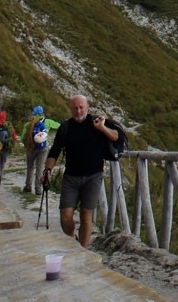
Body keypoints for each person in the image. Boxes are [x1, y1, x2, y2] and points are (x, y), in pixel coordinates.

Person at [43, 94, 120, 247]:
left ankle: (83, 250)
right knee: (65, 216)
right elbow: (54, 151)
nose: (78, 111)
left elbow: (115, 137)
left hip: (93, 176)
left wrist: (102, 128)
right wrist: (47, 171)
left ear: (87, 108)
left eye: (81, 107)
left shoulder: (97, 122)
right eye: (75, 108)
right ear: (70, 109)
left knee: (86, 215)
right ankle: (72, 238)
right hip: (71, 176)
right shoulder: (65, 127)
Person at [22, 105, 49, 193]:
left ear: (33, 113)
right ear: (42, 113)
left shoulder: (28, 124)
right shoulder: (45, 122)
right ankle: (38, 188)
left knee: (30, 167)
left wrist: (26, 144)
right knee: (40, 167)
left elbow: (23, 137)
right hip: (43, 148)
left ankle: (28, 186)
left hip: (31, 148)